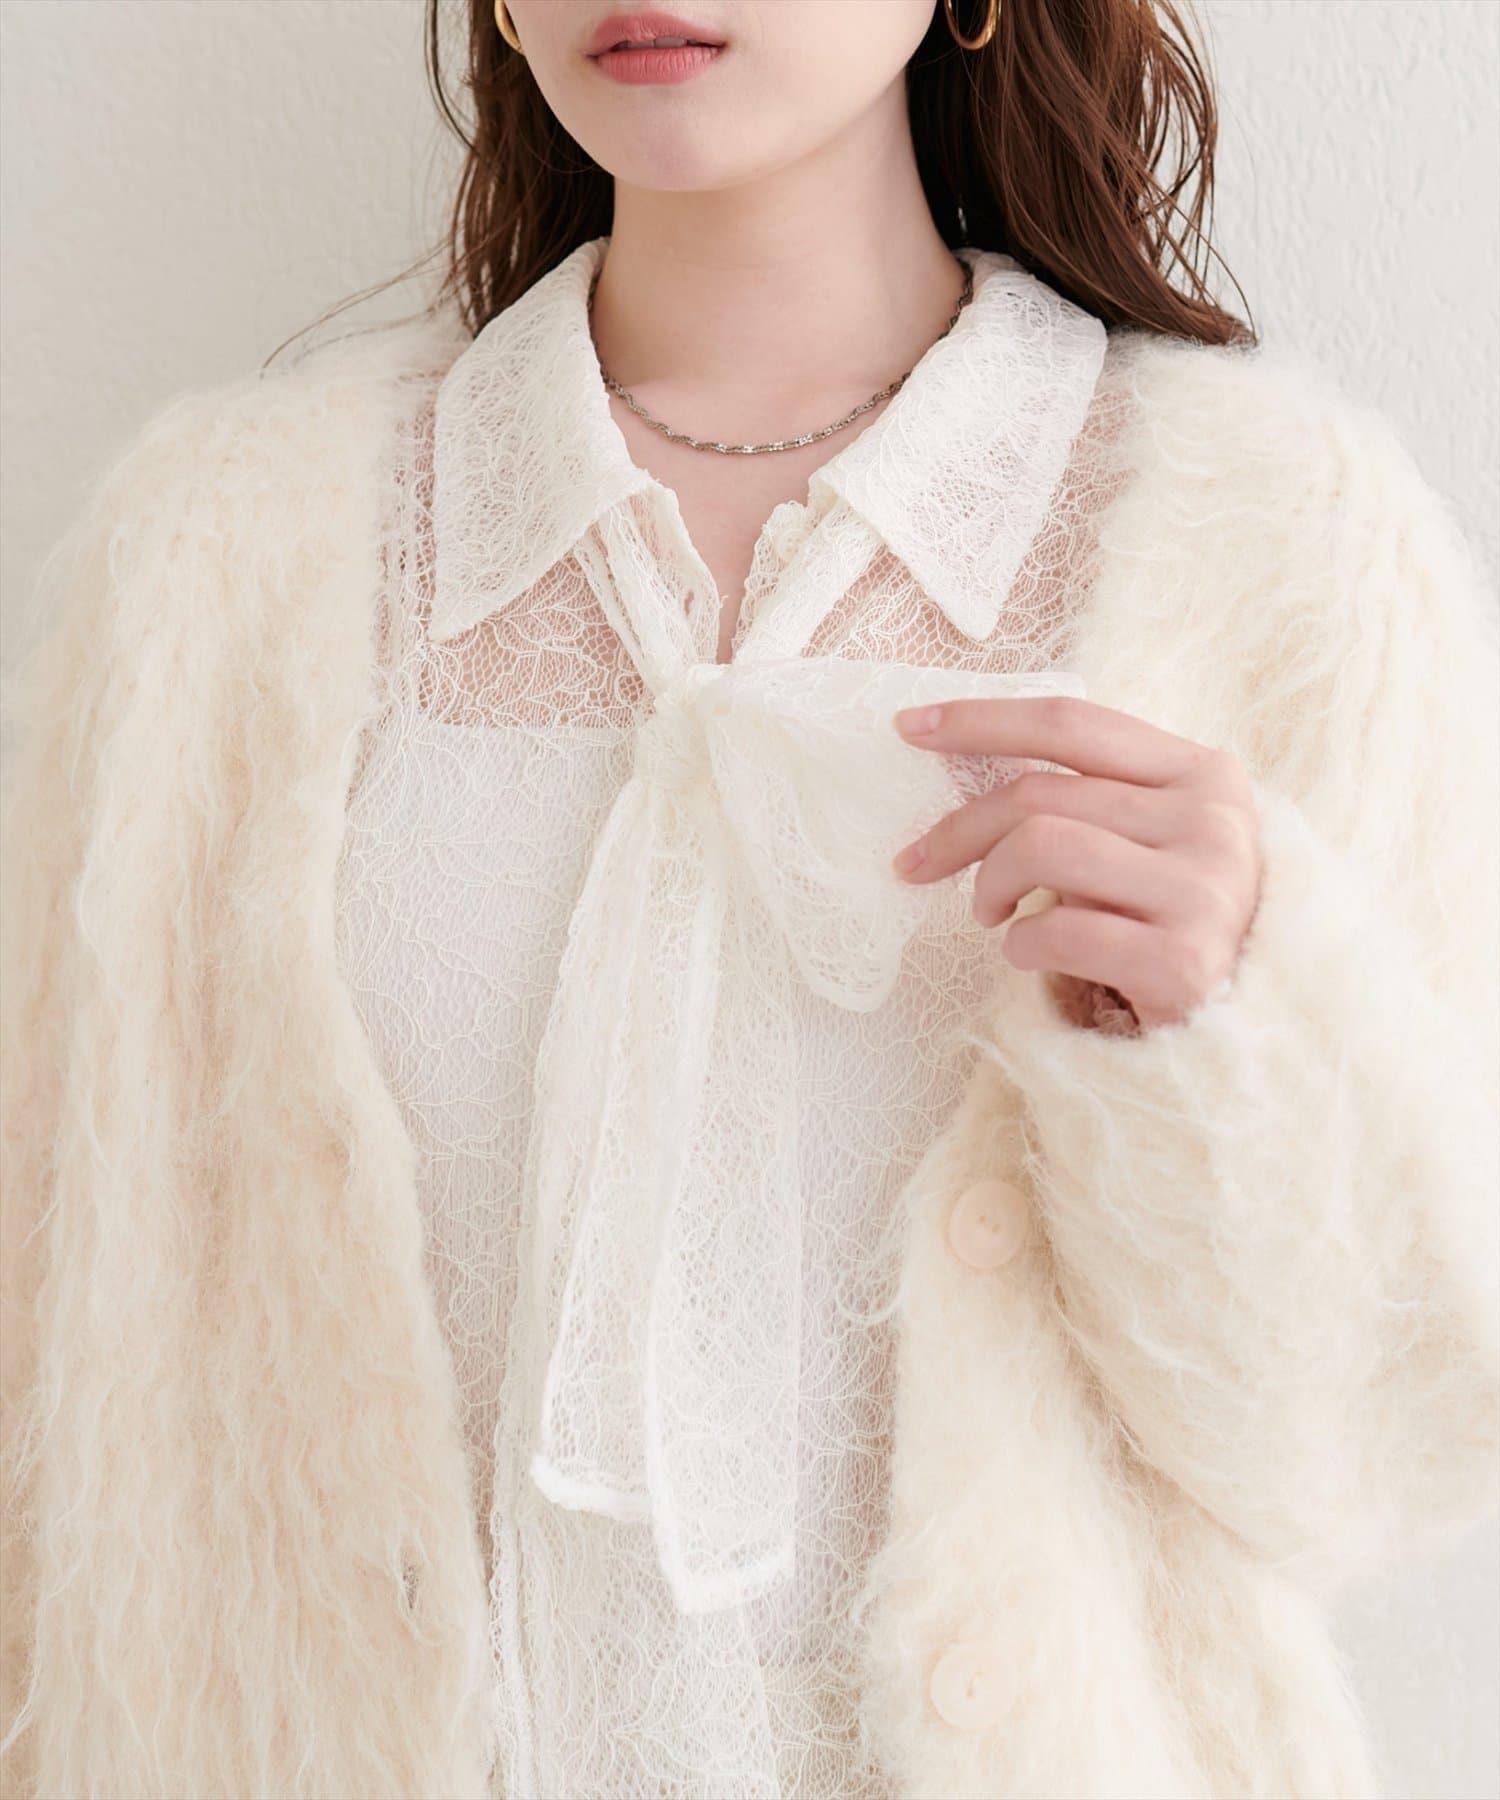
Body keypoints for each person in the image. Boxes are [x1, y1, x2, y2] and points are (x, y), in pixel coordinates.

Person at [2, 1, 1496, 1795]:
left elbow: (1373, 1464)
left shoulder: (1271, 545)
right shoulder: (222, 563)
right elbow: (52, 1400)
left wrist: (1231, 1036)